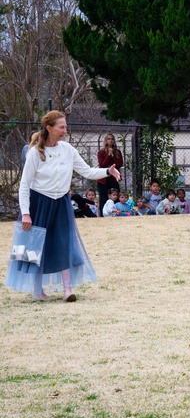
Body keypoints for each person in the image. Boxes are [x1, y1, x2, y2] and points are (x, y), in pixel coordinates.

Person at [6, 111, 121, 301]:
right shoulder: (35, 152)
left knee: (64, 242)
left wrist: (107, 171)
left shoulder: (67, 149)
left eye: (66, 127)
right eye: (61, 127)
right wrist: (26, 213)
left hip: (61, 203)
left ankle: (68, 290)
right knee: (36, 246)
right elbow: (25, 185)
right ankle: (37, 291)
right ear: (49, 128)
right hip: (39, 202)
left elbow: (87, 171)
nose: (65, 131)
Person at [96, 133, 123, 216]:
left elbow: (119, 164)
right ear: (105, 140)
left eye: (112, 139)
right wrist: (108, 155)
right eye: (108, 139)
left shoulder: (117, 152)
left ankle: (116, 213)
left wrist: (113, 155)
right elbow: (102, 165)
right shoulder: (101, 152)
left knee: (115, 196)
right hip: (104, 178)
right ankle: (104, 215)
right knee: (103, 197)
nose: (110, 141)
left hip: (114, 177)